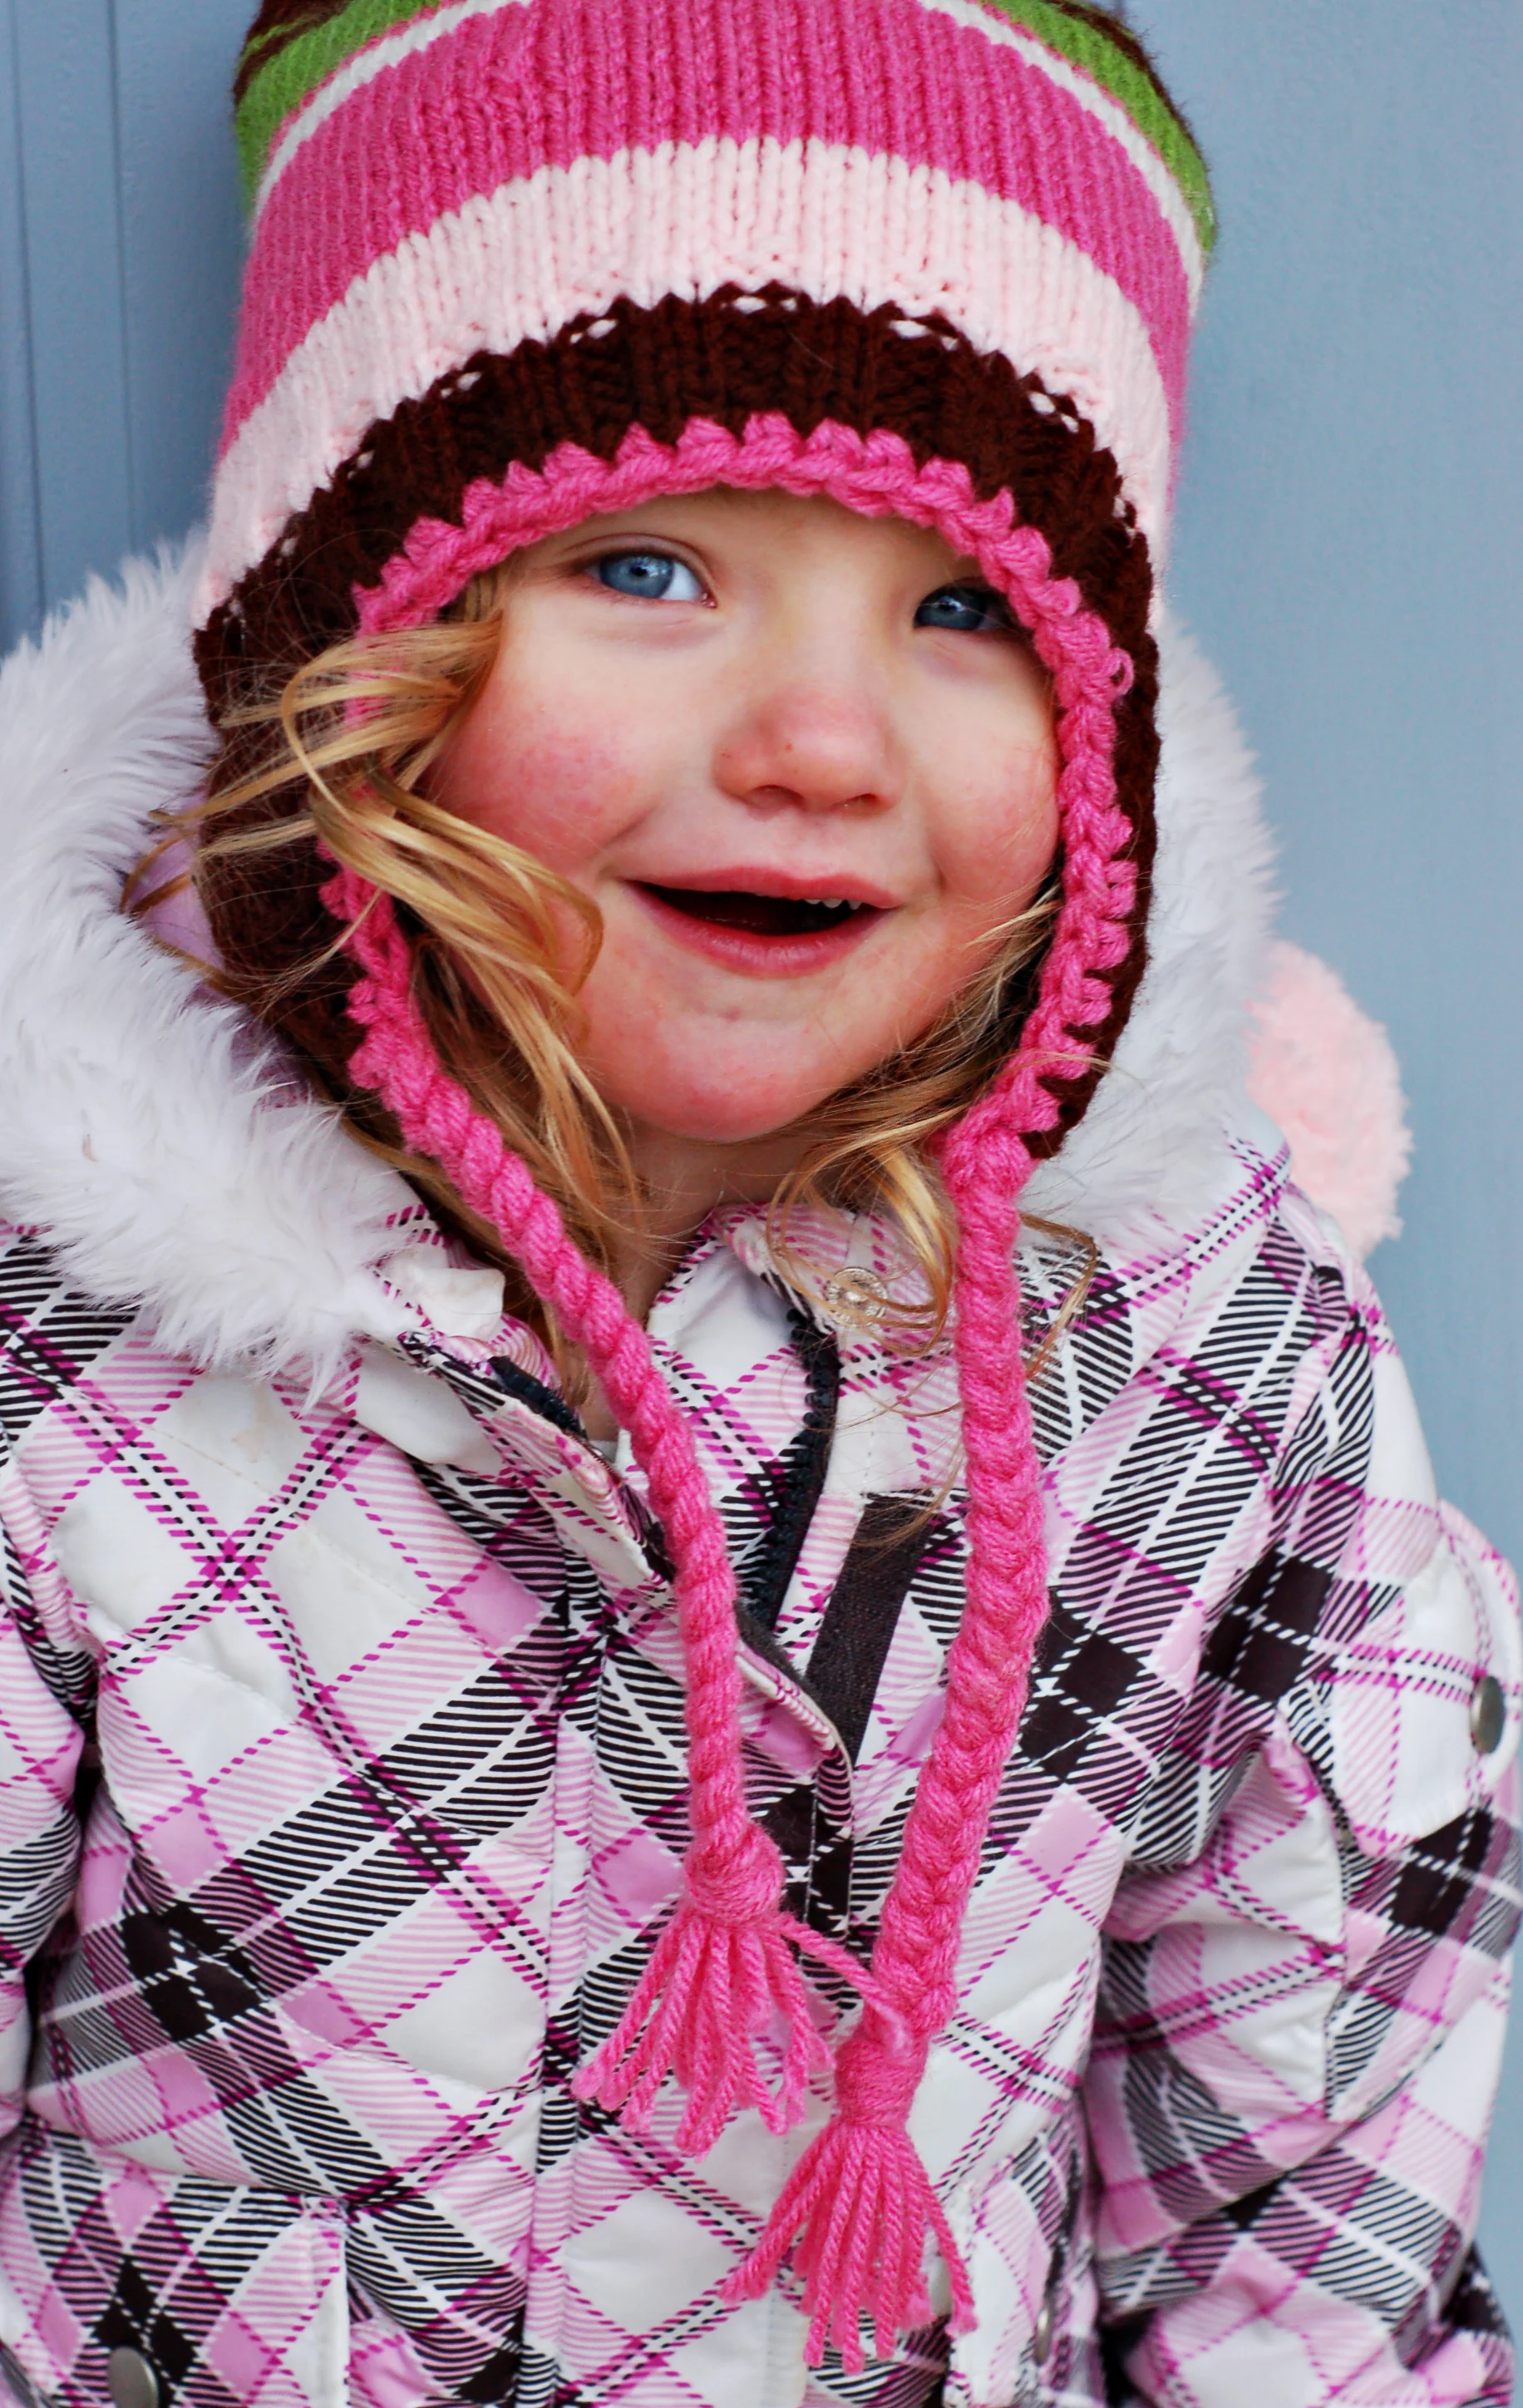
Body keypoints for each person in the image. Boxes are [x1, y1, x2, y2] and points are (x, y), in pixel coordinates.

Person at [0, 2, 1515, 2403]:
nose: (821, 743)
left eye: (963, 612)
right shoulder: (65, 1339)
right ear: (352, 648)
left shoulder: (1215, 1353)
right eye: (646, 565)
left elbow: (1309, 2193)